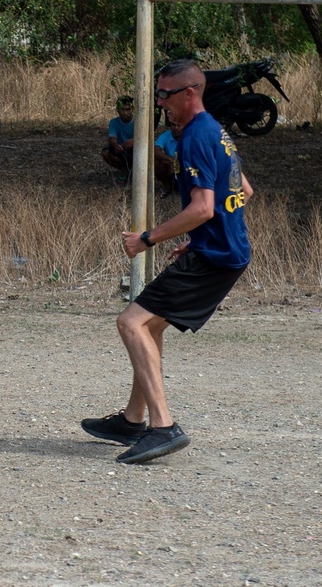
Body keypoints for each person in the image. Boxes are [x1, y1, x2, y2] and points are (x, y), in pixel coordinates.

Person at [81, 59, 253, 465]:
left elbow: (203, 207)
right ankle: (131, 420)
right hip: (221, 251)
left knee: (131, 322)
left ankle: (163, 427)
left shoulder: (195, 136)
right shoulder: (215, 130)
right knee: (150, 325)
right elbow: (243, 190)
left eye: (164, 94)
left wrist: (147, 239)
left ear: (189, 93)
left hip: (216, 258)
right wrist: (200, 238)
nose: (160, 102)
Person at [100, 95, 135, 180]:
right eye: (123, 109)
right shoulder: (113, 122)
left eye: (128, 109)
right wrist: (115, 145)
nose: (125, 113)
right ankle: (125, 170)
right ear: (118, 110)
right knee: (106, 152)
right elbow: (112, 138)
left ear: (132, 109)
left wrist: (133, 141)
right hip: (121, 149)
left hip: (135, 150)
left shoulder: (137, 121)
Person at [154, 122, 181, 198]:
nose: (176, 128)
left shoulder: (190, 136)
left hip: (187, 169)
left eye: (178, 125)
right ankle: (168, 186)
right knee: (156, 162)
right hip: (173, 167)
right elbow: (155, 151)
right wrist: (170, 160)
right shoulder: (166, 136)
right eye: (173, 125)